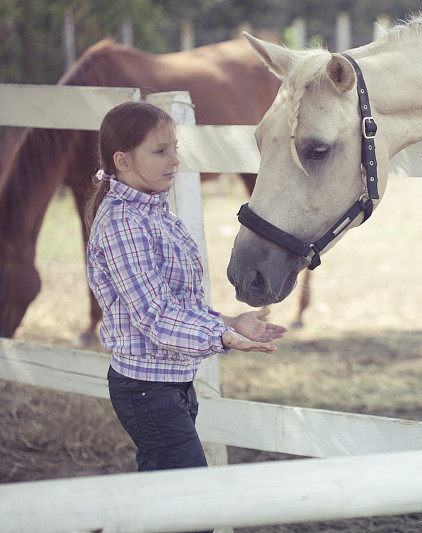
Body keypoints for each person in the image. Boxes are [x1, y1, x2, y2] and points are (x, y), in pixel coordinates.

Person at [84, 101, 286, 473]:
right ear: (123, 161)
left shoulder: (154, 213)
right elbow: (155, 315)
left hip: (169, 381)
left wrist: (230, 323)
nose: (174, 159)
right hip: (146, 387)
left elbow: (176, 303)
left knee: (166, 491)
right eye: (160, 151)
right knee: (188, 495)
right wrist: (221, 338)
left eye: (174, 147)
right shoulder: (124, 224)